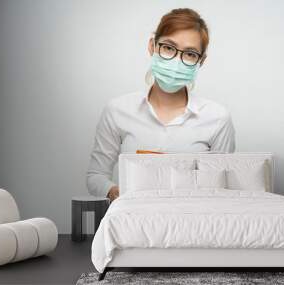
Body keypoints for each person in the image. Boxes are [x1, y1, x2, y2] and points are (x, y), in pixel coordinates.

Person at [86, 8, 236, 202]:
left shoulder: (217, 118)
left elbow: (222, 188)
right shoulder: (117, 110)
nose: (176, 61)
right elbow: (95, 176)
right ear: (152, 46)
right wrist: (116, 192)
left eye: (190, 54)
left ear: (201, 61)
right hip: (135, 219)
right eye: (168, 47)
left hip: (194, 221)